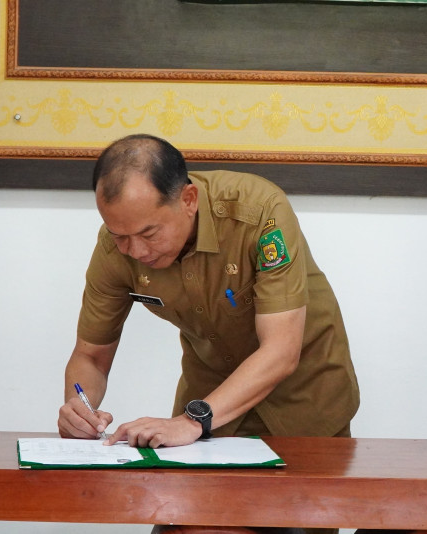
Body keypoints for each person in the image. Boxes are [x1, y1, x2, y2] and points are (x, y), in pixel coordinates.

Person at [57, 134, 359, 534]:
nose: (136, 251)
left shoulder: (259, 212)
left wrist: (194, 419)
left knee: (294, 527)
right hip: (208, 408)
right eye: (119, 235)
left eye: (149, 234)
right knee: (187, 527)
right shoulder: (117, 250)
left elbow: (281, 350)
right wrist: (79, 406)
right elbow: (91, 356)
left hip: (305, 404)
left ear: (188, 200)